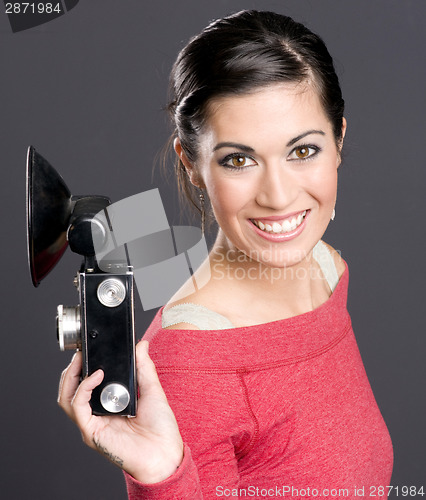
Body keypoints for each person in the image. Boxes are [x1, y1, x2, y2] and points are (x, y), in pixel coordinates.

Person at [58, 10, 393, 499]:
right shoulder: (188, 364)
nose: (278, 196)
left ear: (339, 139)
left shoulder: (324, 267)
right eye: (239, 160)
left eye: (303, 151)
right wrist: (161, 476)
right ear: (191, 165)